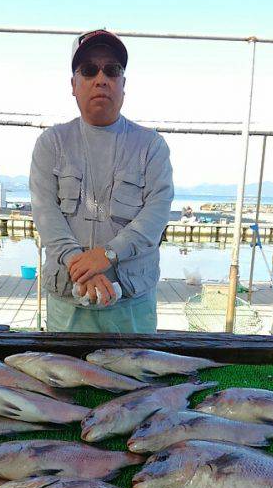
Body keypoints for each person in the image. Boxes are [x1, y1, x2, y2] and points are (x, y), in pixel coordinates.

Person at [30, 29, 174, 333]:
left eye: (112, 70)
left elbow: (156, 214)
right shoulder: (50, 143)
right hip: (67, 303)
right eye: (89, 70)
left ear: (123, 84)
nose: (101, 78)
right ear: (73, 84)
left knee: (138, 380)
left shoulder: (151, 145)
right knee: (64, 377)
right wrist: (82, 266)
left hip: (132, 306)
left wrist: (107, 254)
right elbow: (46, 216)